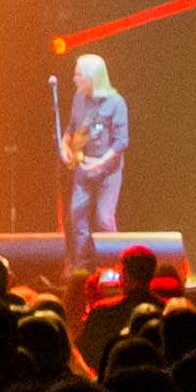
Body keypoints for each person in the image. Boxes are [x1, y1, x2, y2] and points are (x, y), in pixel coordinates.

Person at [59, 53, 130, 258]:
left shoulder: (116, 103)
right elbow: (72, 126)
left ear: (91, 78)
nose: (74, 79)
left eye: (78, 75)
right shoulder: (79, 98)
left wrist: (100, 162)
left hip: (108, 172)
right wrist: (64, 144)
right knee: (77, 214)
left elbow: (121, 141)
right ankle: (83, 263)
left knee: (104, 218)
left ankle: (114, 262)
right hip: (83, 168)